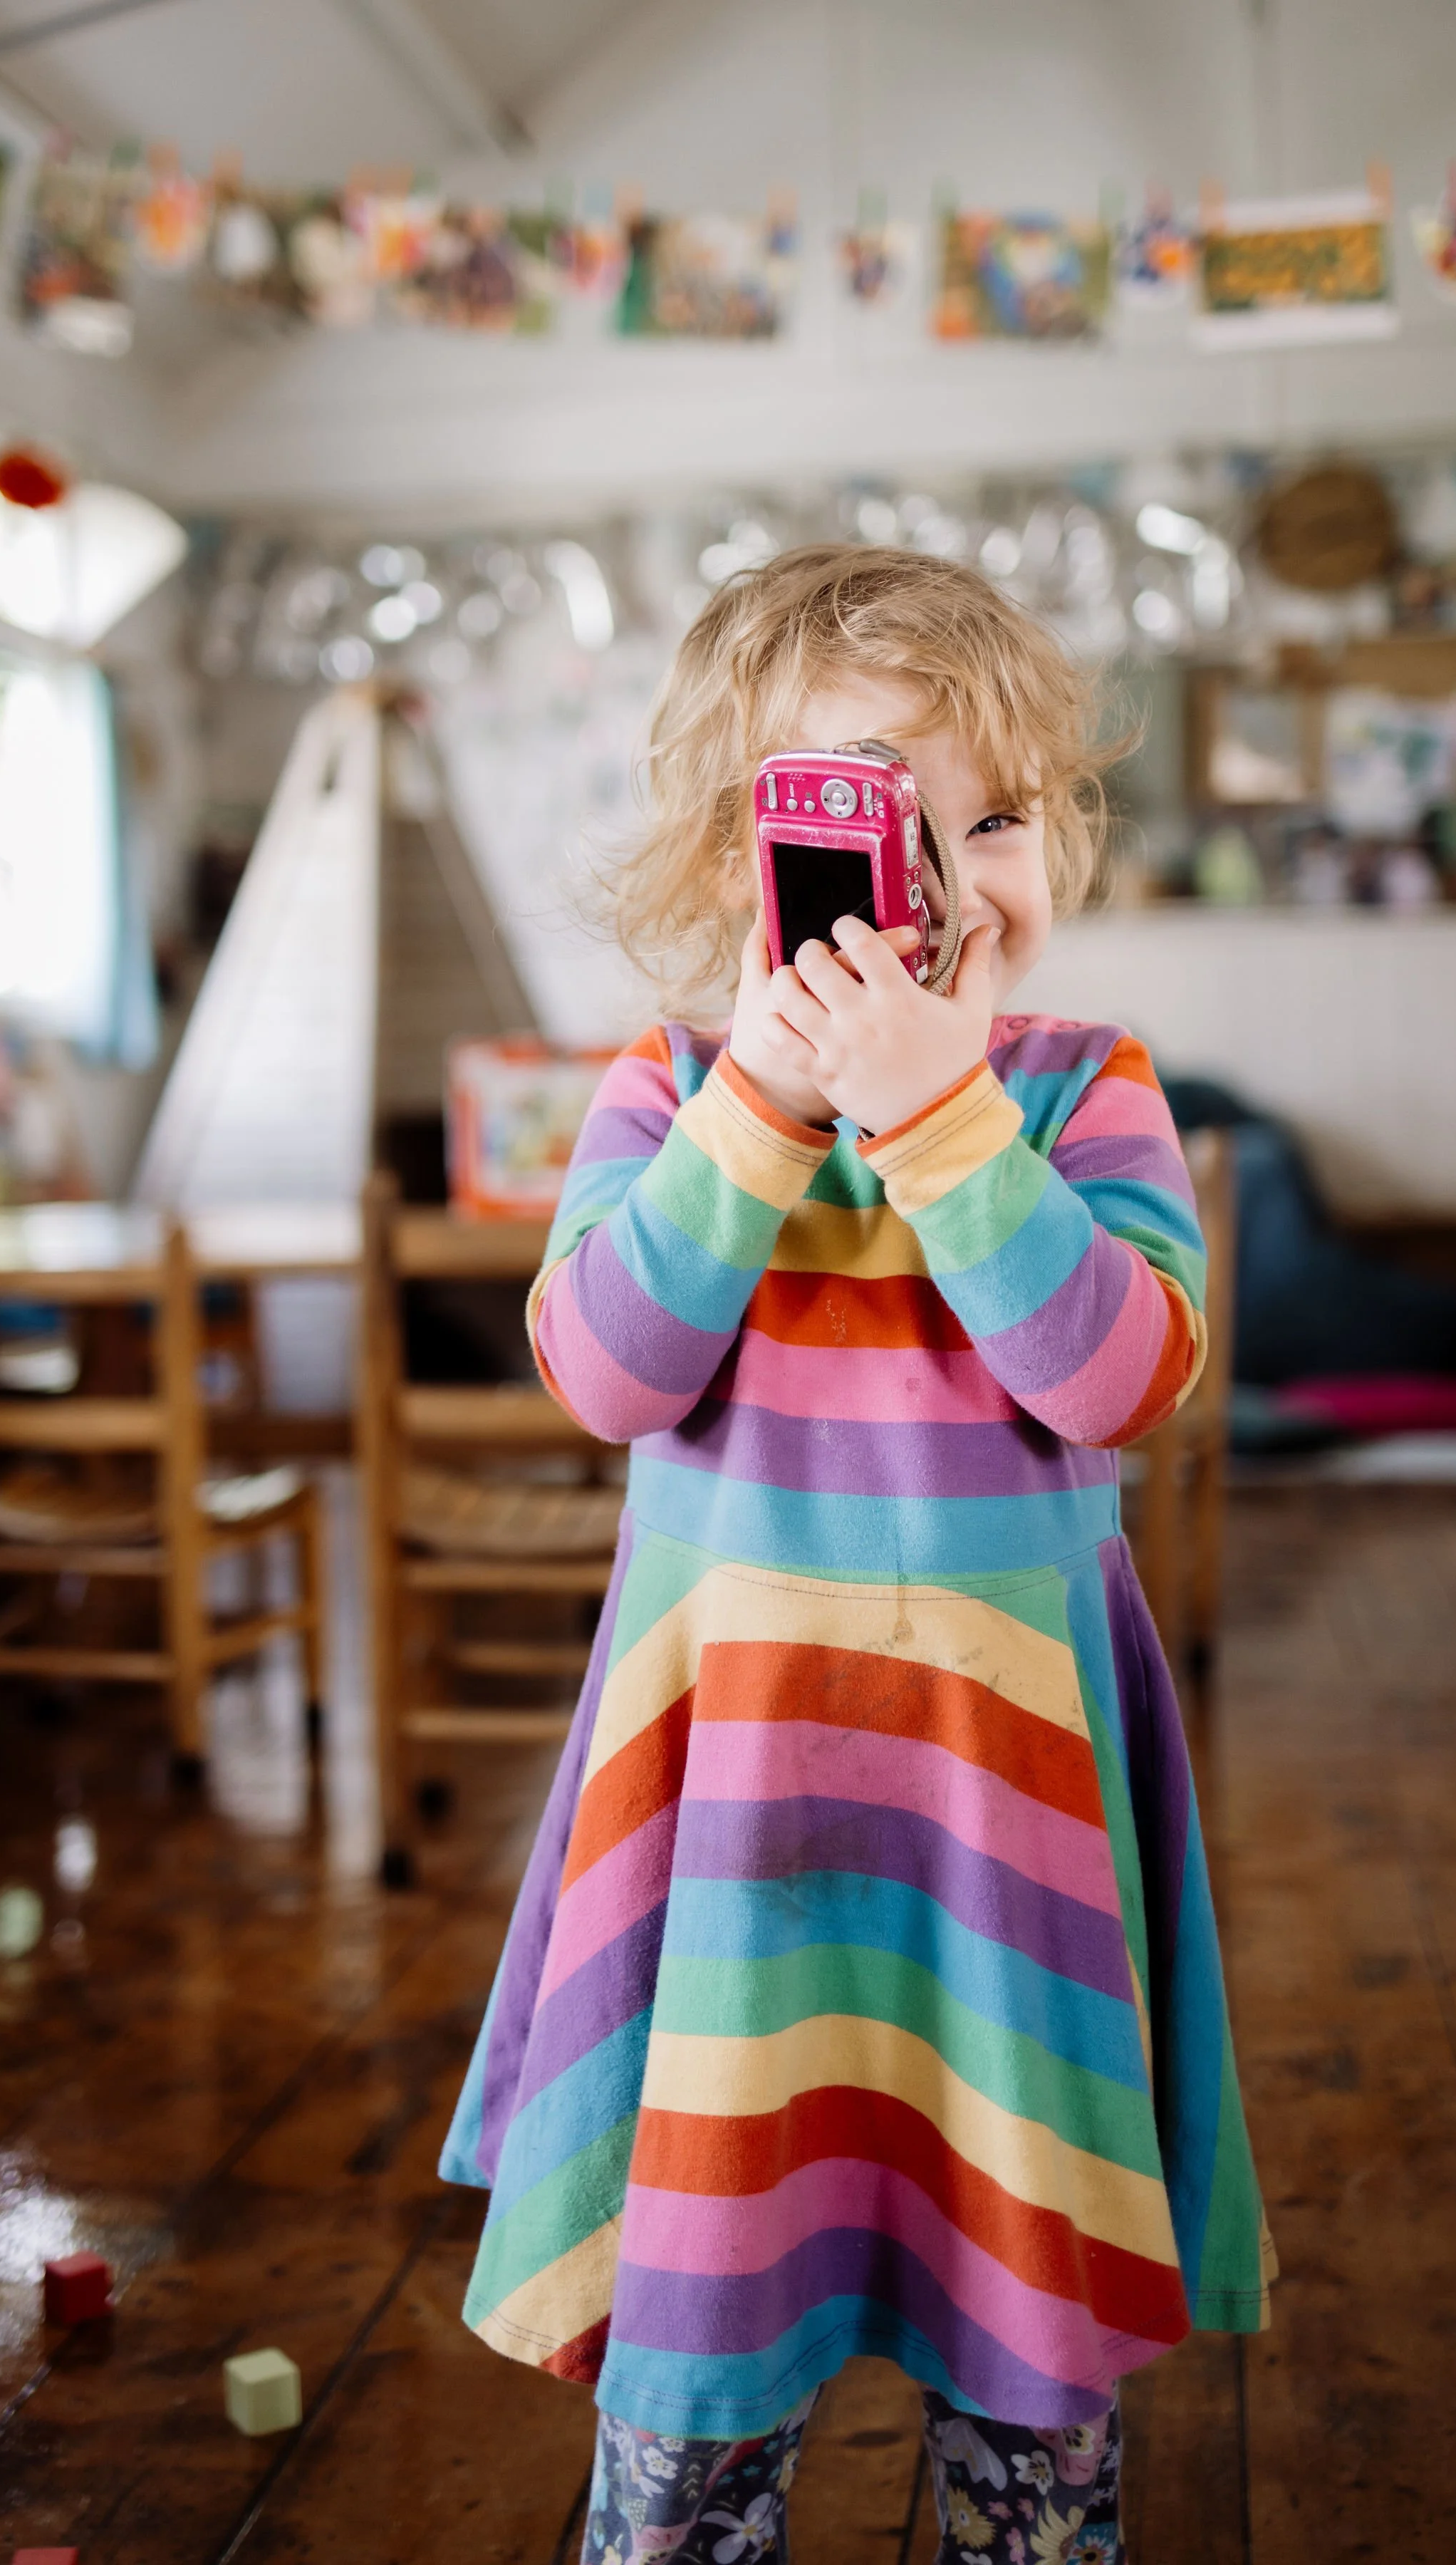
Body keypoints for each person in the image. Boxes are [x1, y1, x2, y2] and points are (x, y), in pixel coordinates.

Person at [442, 546, 1274, 2564]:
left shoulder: (1082, 1090)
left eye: (998, 820)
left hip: (1006, 1814)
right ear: (748, 859)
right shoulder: (668, 1091)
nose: (950, 880)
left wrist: (942, 1120)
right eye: (876, 823)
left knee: (1024, 2324)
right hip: (736, 1807)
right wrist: (764, 1102)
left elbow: (1120, 1378)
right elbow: (609, 1371)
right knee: (703, 2323)